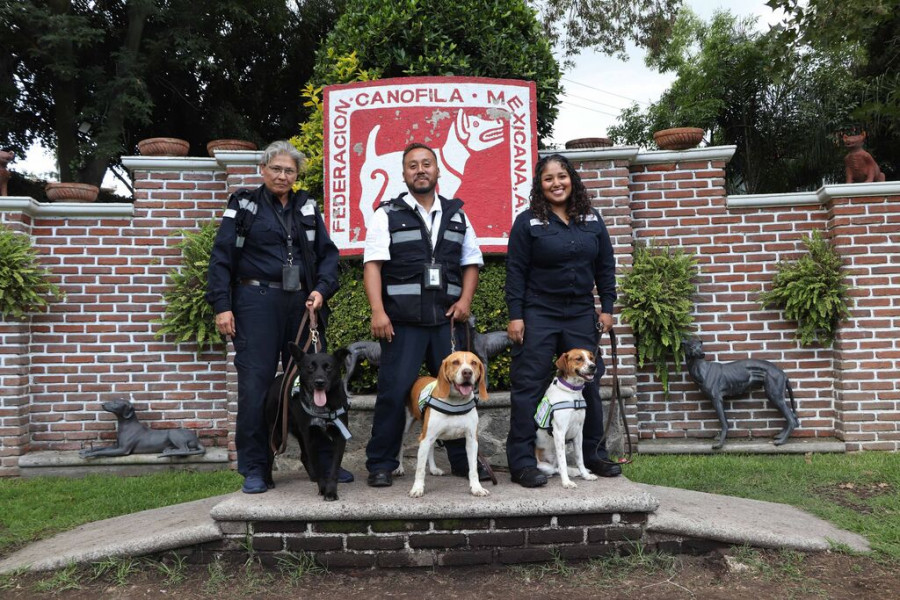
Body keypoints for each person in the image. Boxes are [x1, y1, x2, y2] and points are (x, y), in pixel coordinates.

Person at [206, 140, 343, 494]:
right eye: (277, 169)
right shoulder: (244, 204)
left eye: (289, 170)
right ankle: (256, 468)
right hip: (255, 302)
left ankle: (321, 463)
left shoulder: (307, 206)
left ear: (297, 175)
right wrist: (223, 305)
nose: (283, 175)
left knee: (316, 382)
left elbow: (328, 256)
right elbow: (221, 257)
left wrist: (322, 290)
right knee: (255, 388)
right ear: (263, 170)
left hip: (302, 303)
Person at [363, 142, 486, 487]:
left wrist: (465, 301)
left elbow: (471, 261)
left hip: (447, 320)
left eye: (426, 164)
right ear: (403, 174)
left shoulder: (458, 214)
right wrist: (378, 312)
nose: (420, 170)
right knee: (392, 392)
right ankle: (381, 464)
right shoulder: (386, 213)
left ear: (437, 170)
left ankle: (464, 463)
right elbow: (372, 265)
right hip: (401, 323)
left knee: (460, 389)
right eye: (413, 165)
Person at [504, 153, 622, 488]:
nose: (557, 183)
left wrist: (608, 307)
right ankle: (524, 462)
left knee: (588, 382)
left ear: (572, 179)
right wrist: (516, 316)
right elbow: (515, 272)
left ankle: (594, 455)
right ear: (540, 186)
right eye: (548, 178)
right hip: (538, 311)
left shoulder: (592, 219)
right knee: (529, 386)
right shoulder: (528, 222)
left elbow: (605, 267)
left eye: (562, 176)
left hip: (580, 313)